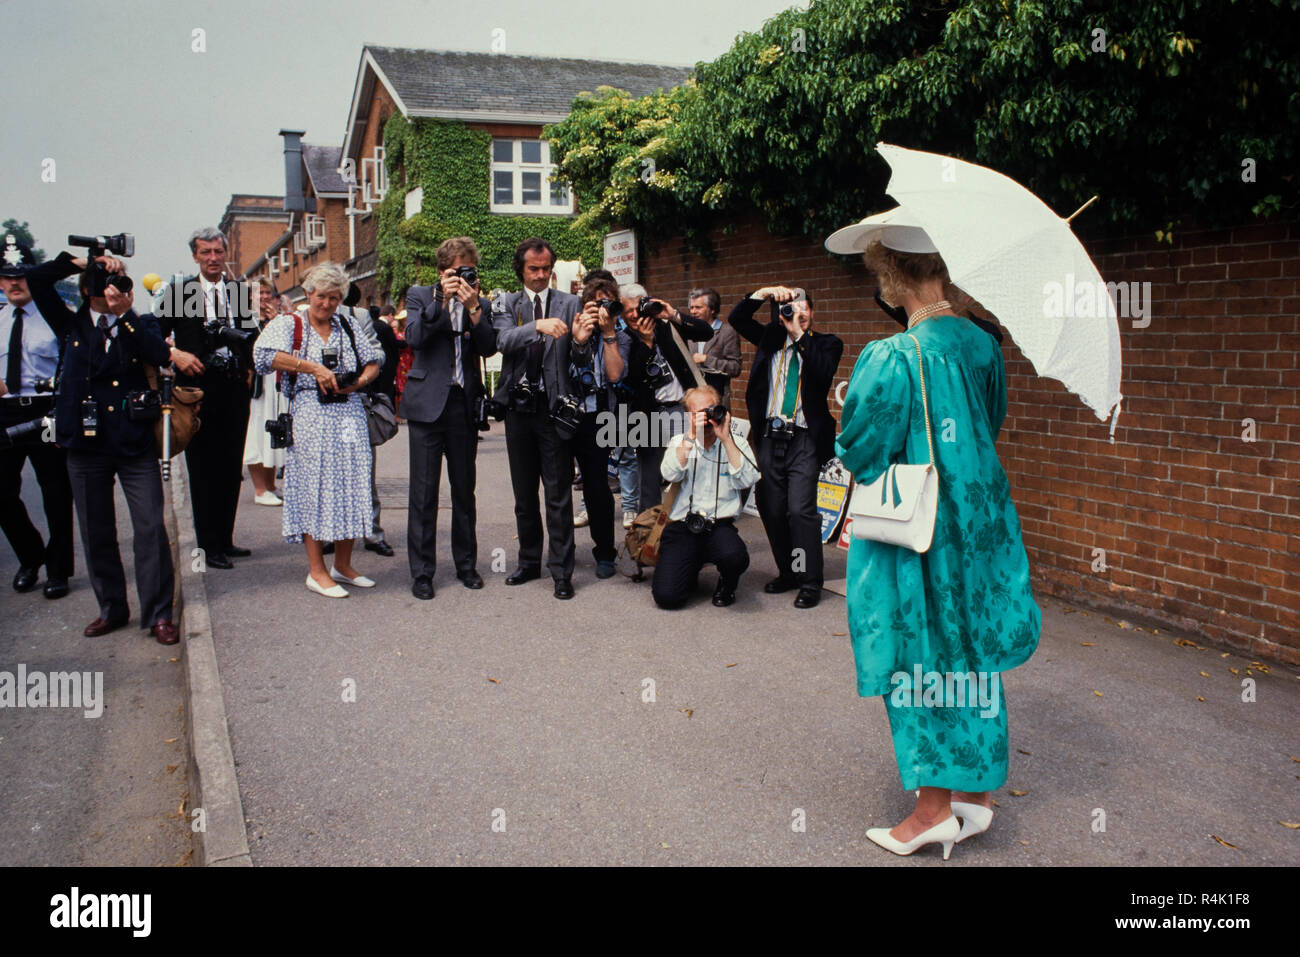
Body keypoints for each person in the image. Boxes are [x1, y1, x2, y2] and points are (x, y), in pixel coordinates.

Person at [833, 221, 1040, 860]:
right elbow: (989, 422)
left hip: (919, 529)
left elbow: (861, 450)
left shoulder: (893, 356)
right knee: (971, 647)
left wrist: (846, 408)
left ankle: (930, 813)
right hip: (980, 522)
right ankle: (975, 799)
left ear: (892, 276)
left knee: (921, 655)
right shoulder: (981, 345)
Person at [52, 253, 178, 643]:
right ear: (87, 289)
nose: (116, 288)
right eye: (106, 282)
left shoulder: (139, 323)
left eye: (122, 281)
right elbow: (38, 280)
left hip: (133, 441)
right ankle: (112, 608)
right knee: (96, 530)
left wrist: (125, 316)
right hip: (86, 446)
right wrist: (76, 261)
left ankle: (158, 613)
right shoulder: (70, 322)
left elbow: (159, 355)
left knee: (149, 527)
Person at [252, 262, 383, 598]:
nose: (327, 304)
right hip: (310, 412)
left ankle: (344, 564)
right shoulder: (289, 323)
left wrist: (358, 383)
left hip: (349, 413)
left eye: (334, 298)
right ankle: (316, 571)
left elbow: (373, 360)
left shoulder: (348, 324)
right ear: (308, 294)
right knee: (316, 489)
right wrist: (310, 368)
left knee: (353, 484)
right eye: (322, 296)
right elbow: (262, 356)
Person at [729, 286, 844, 609]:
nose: (799, 313)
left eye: (805, 308)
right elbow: (737, 317)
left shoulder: (827, 344)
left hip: (805, 437)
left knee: (800, 510)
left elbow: (822, 372)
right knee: (772, 508)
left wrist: (798, 334)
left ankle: (810, 581)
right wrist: (762, 293)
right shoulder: (769, 340)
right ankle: (790, 571)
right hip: (769, 436)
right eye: (792, 309)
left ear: (813, 313)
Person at [490, 237, 590, 599]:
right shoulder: (507, 302)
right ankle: (528, 562)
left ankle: (562, 572)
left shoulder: (570, 302)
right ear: (521, 269)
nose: (541, 275)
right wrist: (539, 326)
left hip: (554, 410)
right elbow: (502, 341)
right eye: (534, 269)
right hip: (518, 410)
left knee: (558, 494)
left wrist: (579, 341)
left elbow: (581, 360)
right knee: (523, 494)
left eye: (547, 269)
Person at [402, 237, 496, 599]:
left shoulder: (480, 302)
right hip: (427, 406)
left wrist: (473, 309)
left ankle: (466, 566)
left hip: (463, 405)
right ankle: (422, 573)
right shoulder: (420, 296)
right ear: (442, 271)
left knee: (463, 491)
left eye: (468, 271)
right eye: (457, 271)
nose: (463, 278)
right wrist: (441, 299)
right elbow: (415, 338)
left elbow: (489, 346)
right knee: (423, 494)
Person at [158, 227, 255, 570]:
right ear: (195, 256)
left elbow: (249, 336)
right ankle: (207, 545)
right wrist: (175, 354)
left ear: (225, 252)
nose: (213, 258)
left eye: (218, 251)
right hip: (197, 391)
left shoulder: (238, 290)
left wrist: (248, 367)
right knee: (203, 469)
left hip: (233, 390)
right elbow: (155, 335)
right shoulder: (179, 292)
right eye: (206, 252)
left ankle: (225, 539)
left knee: (230, 468)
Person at [0, 236, 74, 599]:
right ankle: (30, 557)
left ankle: (58, 570)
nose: (15, 283)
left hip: (47, 409)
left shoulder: (54, 315)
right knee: (2, 492)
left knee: (55, 490)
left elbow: (75, 362)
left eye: (22, 275)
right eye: (7, 276)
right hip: (4, 411)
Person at [653, 385, 760, 609]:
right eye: (700, 412)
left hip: (718, 526)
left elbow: (747, 480)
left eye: (711, 409)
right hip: (683, 526)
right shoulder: (679, 442)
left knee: (735, 556)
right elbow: (669, 473)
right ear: (689, 416)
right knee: (667, 598)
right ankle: (688, 568)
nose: (707, 416)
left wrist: (726, 439)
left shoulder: (735, 443)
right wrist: (692, 436)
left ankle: (727, 585)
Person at [620, 282, 714, 514]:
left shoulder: (665, 324)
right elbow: (629, 378)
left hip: (682, 408)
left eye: (637, 308)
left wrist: (672, 314)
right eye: (627, 310)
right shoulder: (622, 338)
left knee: (692, 467)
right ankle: (649, 535)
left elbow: (706, 331)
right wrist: (646, 342)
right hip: (647, 415)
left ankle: (694, 520)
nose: (633, 314)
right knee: (650, 479)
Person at [567, 275, 627, 579]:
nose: (602, 310)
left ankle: (605, 553)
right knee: (557, 486)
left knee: (597, 488)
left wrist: (608, 333)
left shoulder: (618, 332)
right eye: (596, 303)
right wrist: (580, 335)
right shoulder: (572, 324)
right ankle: (561, 552)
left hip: (599, 417)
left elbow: (615, 375)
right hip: (567, 414)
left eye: (608, 303)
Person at [243, 277, 287, 506]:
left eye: (267, 293)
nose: (263, 298)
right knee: (257, 433)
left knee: (274, 430)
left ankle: (271, 485)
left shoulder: (279, 319)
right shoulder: (245, 320)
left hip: (276, 383)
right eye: (258, 293)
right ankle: (260, 489)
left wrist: (276, 321)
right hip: (257, 384)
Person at [365, 301, 400, 558]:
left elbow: (378, 355)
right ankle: (215, 543)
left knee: (365, 473)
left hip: (357, 400)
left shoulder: (356, 318)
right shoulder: (240, 290)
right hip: (250, 391)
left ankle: (372, 532)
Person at [686, 287, 742, 404]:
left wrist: (707, 359)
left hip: (717, 399)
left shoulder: (726, 332)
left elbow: (735, 368)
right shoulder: (688, 332)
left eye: (698, 307)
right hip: (692, 400)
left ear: (712, 309)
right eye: (691, 307)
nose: (693, 311)